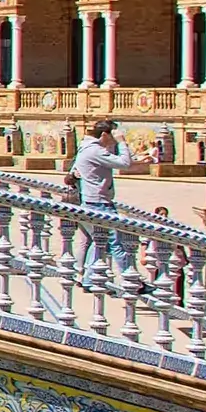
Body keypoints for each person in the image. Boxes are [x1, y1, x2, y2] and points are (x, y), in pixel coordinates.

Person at [75, 117, 128, 287]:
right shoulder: (95, 151)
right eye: (111, 137)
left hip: (92, 201)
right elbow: (125, 163)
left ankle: (89, 280)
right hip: (100, 204)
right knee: (115, 242)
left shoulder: (86, 148)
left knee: (99, 241)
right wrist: (122, 142)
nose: (112, 140)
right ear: (105, 134)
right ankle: (132, 279)